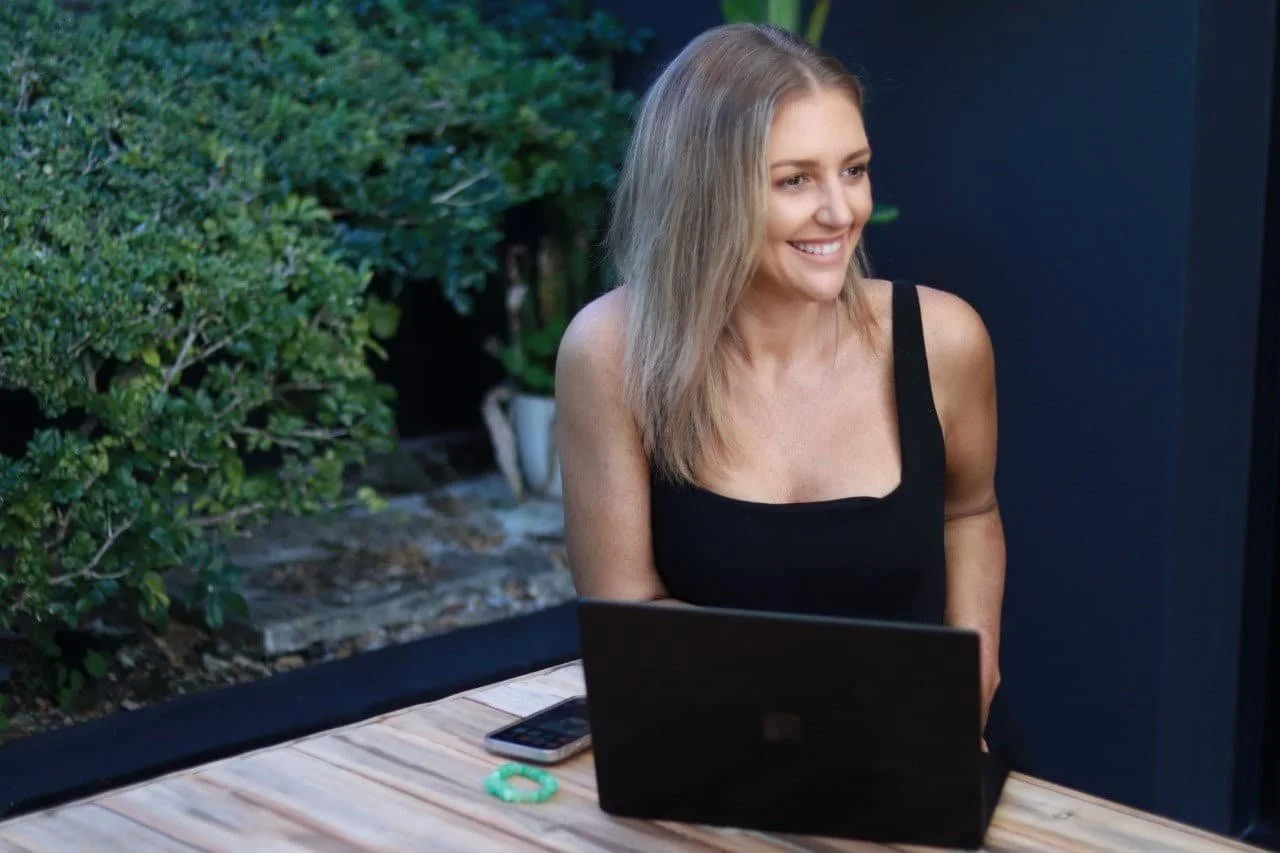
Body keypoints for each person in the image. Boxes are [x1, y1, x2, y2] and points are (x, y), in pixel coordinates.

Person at [554, 23, 1023, 764]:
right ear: (705, 193)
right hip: (710, 758)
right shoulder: (610, 352)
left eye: (855, 169)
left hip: (912, 753)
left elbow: (970, 511)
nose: (842, 212)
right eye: (794, 180)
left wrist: (975, 652)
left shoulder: (943, 337)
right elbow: (626, 614)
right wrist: (831, 699)